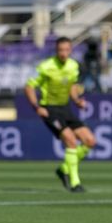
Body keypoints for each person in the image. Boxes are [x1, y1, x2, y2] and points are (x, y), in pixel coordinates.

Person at [25, 37, 96, 193]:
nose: (63, 53)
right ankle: (75, 183)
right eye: (60, 50)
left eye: (66, 50)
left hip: (65, 108)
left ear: (70, 50)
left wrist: (77, 100)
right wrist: (36, 107)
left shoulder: (73, 66)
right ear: (56, 51)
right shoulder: (46, 66)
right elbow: (29, 86)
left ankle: (64, 169)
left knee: (90, 141)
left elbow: (71, 86)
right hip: (49, 109)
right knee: (71, 140)